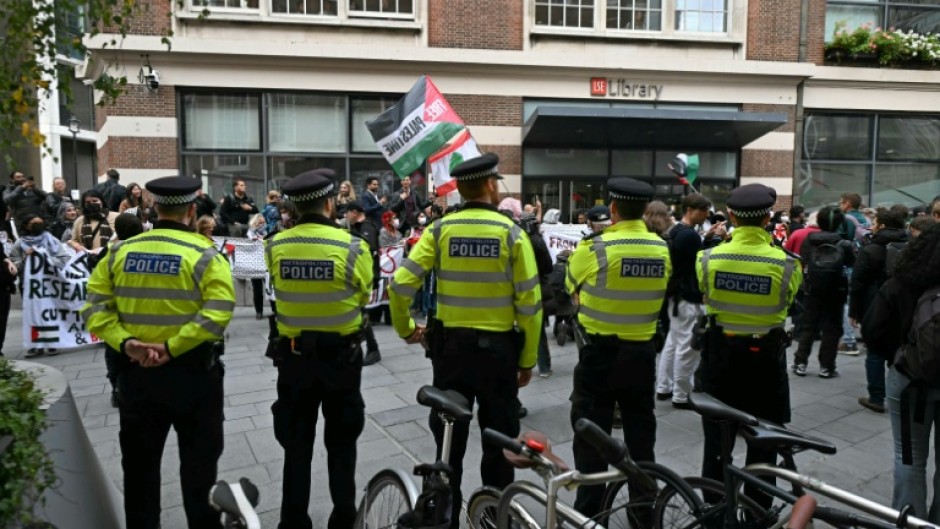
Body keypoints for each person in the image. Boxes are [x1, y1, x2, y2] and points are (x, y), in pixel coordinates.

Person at [387, 153, 542, 529]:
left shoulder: (440, 231)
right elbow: (531, 306)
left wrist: (407, 329)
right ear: (490, 185)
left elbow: (400, 285)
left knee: (448, 446)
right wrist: (527, 359)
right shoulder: (512, 234)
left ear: (459, 188)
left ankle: (445, 520)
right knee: (501, 444)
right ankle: (495, 517)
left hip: (451, 355)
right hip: (499, 355)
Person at [81, 175, 234, 529]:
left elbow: (93, 308)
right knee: (199, 475)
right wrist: (172, 348)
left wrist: (127, 344)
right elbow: (218, 313)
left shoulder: (119, 251)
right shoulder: (205, 254)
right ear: (192, 211)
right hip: (194, 377)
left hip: (137, 376)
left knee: (139, 473)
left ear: (153, 207)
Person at [265, 169, 373, 529]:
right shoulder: (354, 246)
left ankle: (293, 521)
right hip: (341, 361)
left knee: (296, 448)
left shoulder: (275, 245)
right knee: (342, 447)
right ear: (330, 203)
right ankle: (343, 518)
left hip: (293, 361)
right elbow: (363, 295)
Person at [565, 177, 671, 518]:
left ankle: (591, 514)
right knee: (641, 437)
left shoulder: (594, 248)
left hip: (599, 356)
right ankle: (643, 512)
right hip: (641, 355)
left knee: (591, 437)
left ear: (612, 208)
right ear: (643, 210)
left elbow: (570, 285)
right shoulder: (662, 249)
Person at [696, 183, 802, 509]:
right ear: (768, 218)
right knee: (764, 446)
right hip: (765, 363)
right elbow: (790, 301)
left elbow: (703, 293)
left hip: (720, 358)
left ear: (731, 216)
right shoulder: (788, 265)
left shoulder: (707, 258)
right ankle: (757, 515)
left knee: (716, 445)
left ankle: (715, 514)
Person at [863, 223, 940, 522]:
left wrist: (898, 355)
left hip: (909, 382)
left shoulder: (901, 282)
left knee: (909, 458)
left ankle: (910, 521)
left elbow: (873, 329)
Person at [850, 207, 908, 413]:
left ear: (882, 225)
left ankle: (876, 397)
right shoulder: (911, 246)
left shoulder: (871, 249)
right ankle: (898, 393)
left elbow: (857, 282)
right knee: (897, 350)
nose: (872, 226)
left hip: (873, 305)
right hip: (903, 306)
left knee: (874, 350)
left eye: (874, 223)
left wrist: (854, 311)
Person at [657, 193, 711, 408]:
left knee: (673, 343)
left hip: (675, 295)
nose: (706, 215)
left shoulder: (674, 231)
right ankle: (681, 395)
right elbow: (697, 266)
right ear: (690, 210)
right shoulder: (690, 236)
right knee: (687, 348)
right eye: (703, 210)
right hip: (689, 297)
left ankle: (664, 387)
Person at [791, 206, 854, 378]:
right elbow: (850, 263)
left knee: (808, 326)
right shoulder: (844, 244)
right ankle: (827, 366)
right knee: (832, 328)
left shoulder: (809, 240)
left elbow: (803, 261)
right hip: (836, 289)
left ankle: (800, 363)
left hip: (813, 288)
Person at [97, 213, 146, 407]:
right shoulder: (149, 251)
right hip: (142, 311)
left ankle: (117, 388)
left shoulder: (110, 252)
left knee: (115, 350)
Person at [11, 212, 72, 358]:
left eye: (40, 223)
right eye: (33, 224)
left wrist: (46, 258)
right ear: (26, 226)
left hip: (50, 284)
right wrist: (26, 258)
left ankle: (51, 343)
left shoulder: (52, 240)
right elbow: (14, 265)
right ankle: (35, 345)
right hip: (30, 286)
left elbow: (64, 259)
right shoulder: (20, 243)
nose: (37, 226)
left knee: (48, 313)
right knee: (32, 315)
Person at [345, 200, 382, 366]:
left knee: (360, 311)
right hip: (357, 274)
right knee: (358, 311)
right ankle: (360, 345)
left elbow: (368, 251)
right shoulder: (356, 228)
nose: (346, 216)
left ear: (355, 212)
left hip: (365, 276)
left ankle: (373, 349)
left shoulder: (366, 227)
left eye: (347, 212)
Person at [838, 192, 870, 354]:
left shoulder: (845, 219)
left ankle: (849, 342)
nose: (839, 206)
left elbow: (839, 242)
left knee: (846, 303)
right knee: (863, 300)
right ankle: (867, 338)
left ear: (848, 204)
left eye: (841, 203)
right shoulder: (867, 219)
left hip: (849, 265)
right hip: (865, 265)